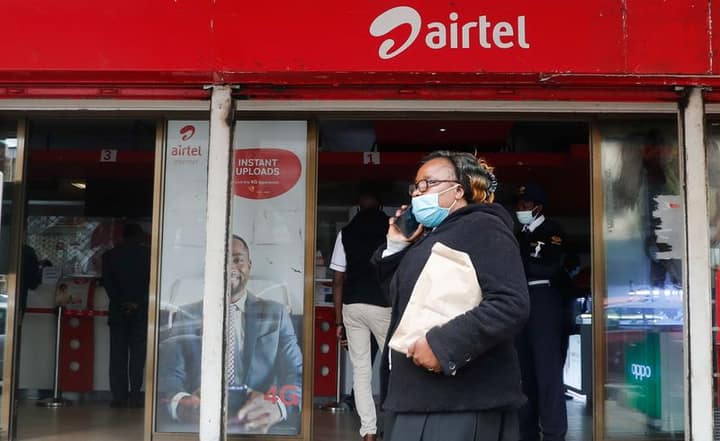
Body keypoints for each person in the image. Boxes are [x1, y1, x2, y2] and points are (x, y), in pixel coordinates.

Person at [373, 151, 529, 441]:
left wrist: (442, 345)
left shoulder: (484, 226)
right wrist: (396, 246)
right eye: (416, 186)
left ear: (458, 190)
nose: (418, 193)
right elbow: (401, 300)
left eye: (428, 183)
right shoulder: (431, 238)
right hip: (414, 396)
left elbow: (511, 303)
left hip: (460, 401)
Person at [157, 235, 303, 435]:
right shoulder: (187, 314)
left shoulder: (276, 314)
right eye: (222, 261)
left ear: (249, 265)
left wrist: (278, 407)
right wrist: (182, 403)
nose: (230, 268)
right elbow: (170, 373)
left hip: (259, 421)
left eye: (237, 260)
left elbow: (295, 373)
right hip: (202, 421)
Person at [329, 189, 391, 441]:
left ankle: (368, 431)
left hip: (352, 306)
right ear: (381, 205)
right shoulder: (392, 229)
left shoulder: (346, 233)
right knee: (394, 367)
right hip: (383, 305)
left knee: (361, 371)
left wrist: (338, 322)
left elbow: (337, 280)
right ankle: (393, 424)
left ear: (357, 206)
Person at [514, 183, 568, 441]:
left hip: (543, 299)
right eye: (519, 203)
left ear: (538, 207)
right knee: (524, 371)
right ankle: (527, 431)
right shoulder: (519, 234)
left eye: (525, 204)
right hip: (521, 300)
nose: (520, 208)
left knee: (548, 371)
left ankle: (554, 432)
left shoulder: (552, 231)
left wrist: (522, 264)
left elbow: (549, 267)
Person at [102, 223, 151, 408]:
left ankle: (119, 396)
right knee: (138, 356)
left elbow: (108, 284)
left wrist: (122, 302)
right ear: (139, 237)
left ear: (122, 236)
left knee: (118, 355)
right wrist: (137, 303)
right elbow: (151, 284)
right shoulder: (149, 255)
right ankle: (136, 395)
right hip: (141, 312)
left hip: (118, 312)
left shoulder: (110, 256)